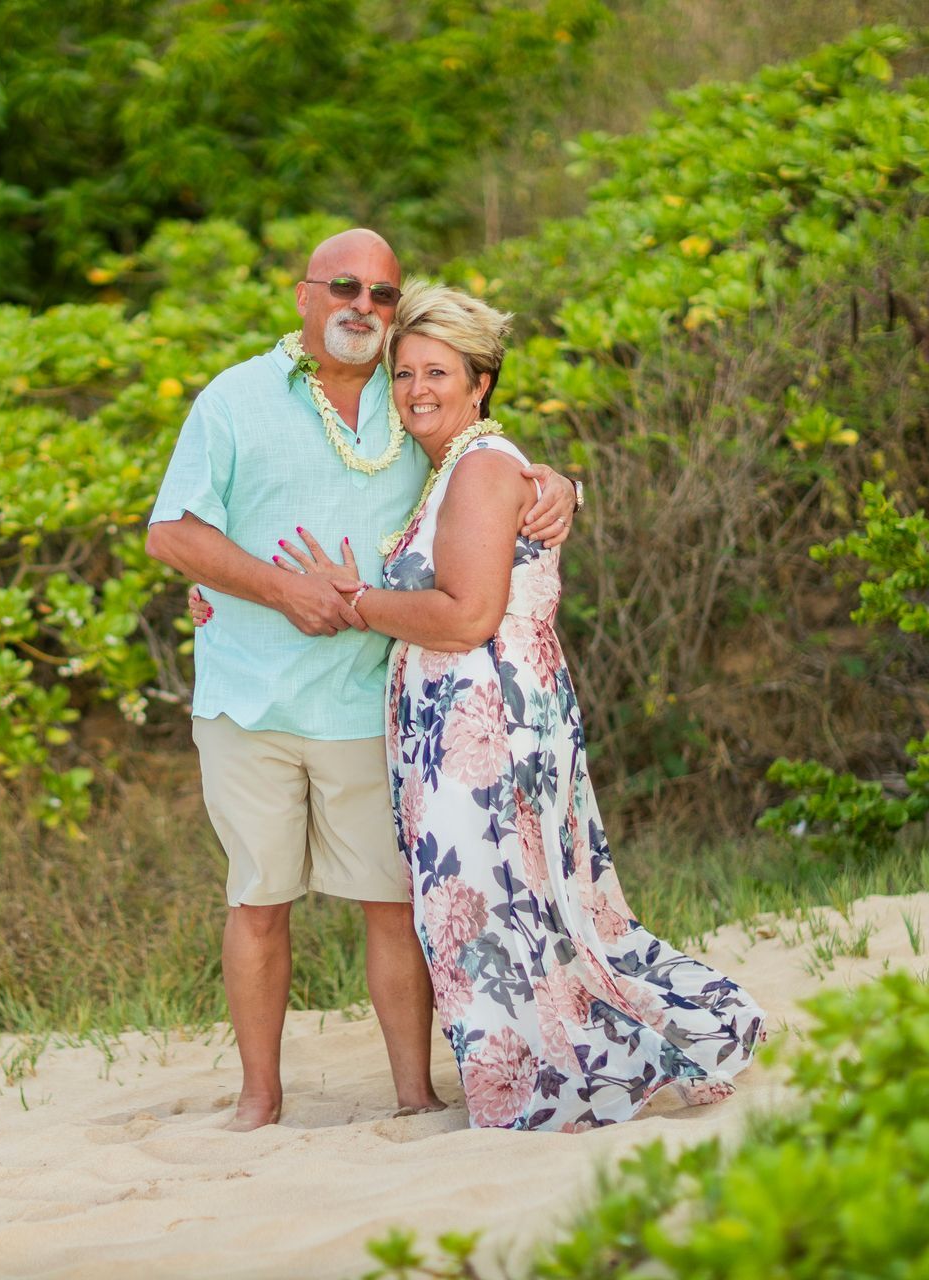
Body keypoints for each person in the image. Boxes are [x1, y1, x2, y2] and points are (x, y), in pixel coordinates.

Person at [274, 281, 766, 1130]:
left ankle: (549, 1086)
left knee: (496, 909)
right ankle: (540, 1077)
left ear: (480, 383)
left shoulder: (482, 468)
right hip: (478, 717)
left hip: (484, 724)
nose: (418, 390)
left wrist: (352, 599)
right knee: (519, 906)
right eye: (405, 374)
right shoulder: (461, 469)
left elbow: (467, 615)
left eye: (438, 373)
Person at [144, 230, 580, 1131]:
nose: (364, 308)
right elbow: (172, 535)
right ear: (304, 295)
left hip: (372, 699)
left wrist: (559, 481)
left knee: (393, 903)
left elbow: (481, 459)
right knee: (258, 901)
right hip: (250, 697)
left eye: (384, 295)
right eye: (345, 287)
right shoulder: (235, 399)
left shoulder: (406, 391)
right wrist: (275, 589)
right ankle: (258, 1103)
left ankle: (413, 1096)